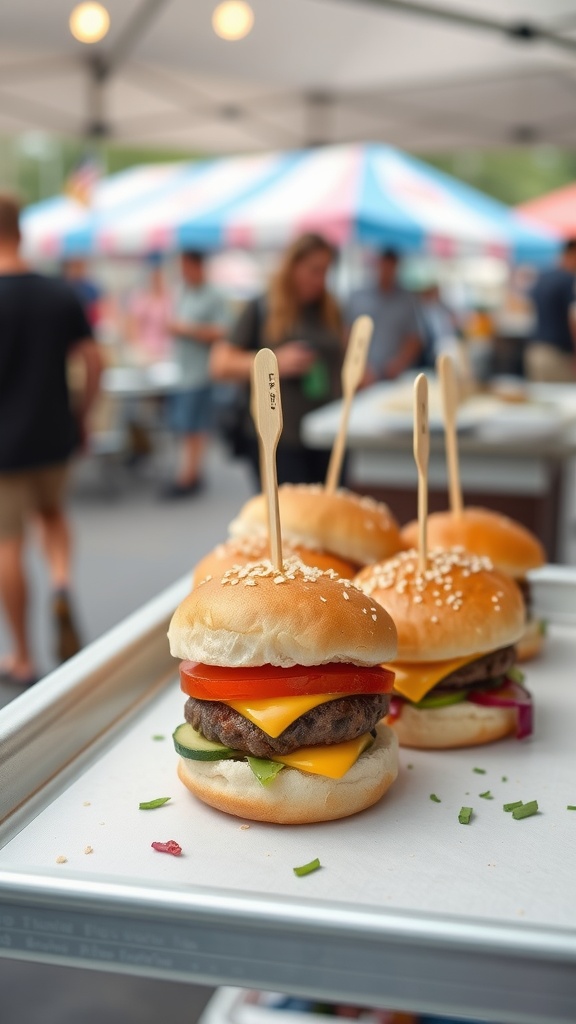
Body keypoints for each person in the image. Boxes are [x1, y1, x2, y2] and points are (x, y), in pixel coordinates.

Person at [0, 193, 103, 685]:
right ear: (20, 231)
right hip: (54, 434)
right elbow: (94, 358)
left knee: (7, 545)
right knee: (54, 516)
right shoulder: (60, 293)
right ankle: (61, 582)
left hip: (3, 449)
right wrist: (83, 414)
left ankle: (21, 653)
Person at [210, 232, 343, 486]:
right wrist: (272, 364)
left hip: (328, 433)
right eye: (314, 270)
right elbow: (219, 364)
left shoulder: (330, 309)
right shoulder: (262, 307)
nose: (320, 280)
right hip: (279, 439)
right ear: (293, 266)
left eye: (326, 271)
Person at [164, 251, 229, 497]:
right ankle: (189, 472)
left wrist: (188, 330)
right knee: (185, 425)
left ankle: (190, 475)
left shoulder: (214, 296)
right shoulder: (183, 293)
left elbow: (224, 331)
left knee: (195, 425)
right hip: (183, 371)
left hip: (201, 372)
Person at [347, 248, 422, 383]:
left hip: (393, 377)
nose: (387, 272)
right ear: (378, 265)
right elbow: (346, 334)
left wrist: (400, 362)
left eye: (391, 268)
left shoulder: (407, 300)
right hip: (360, 375)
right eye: (384, 266)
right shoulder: (358, 296)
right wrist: (358, 366)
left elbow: (414, 338)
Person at [525, 239, 576, 382]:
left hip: (535, 350)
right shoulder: (569, 280)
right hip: (559, 355)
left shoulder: (542, 277)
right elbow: (573, 319)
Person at [124, 256, 172, 364]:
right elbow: (132, 325)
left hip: (166, 350)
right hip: (146, 350)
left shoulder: (169, 298)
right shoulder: (141, 298)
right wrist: (140, 348)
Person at [62, 258, 102, 329]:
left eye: (80, 266)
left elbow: (95, 310)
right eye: (75, 266)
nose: (77, 270)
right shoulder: (62, 287)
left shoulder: (90, 288)